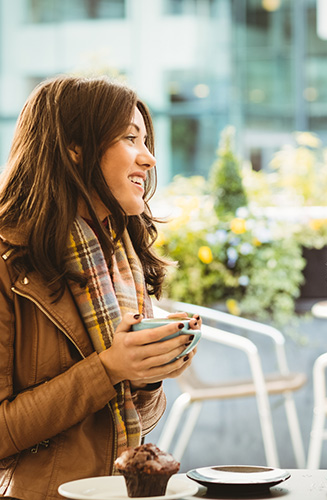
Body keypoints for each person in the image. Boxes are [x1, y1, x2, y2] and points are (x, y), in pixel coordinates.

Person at [0, 75, 200, 499]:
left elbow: (132, 420)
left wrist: (148, 373)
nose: (148, 159)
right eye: (131, 138)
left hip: (117, 491)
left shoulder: (119, 256)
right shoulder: (9, 264)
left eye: (147, 142)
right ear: (75, 150)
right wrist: (109, 369)